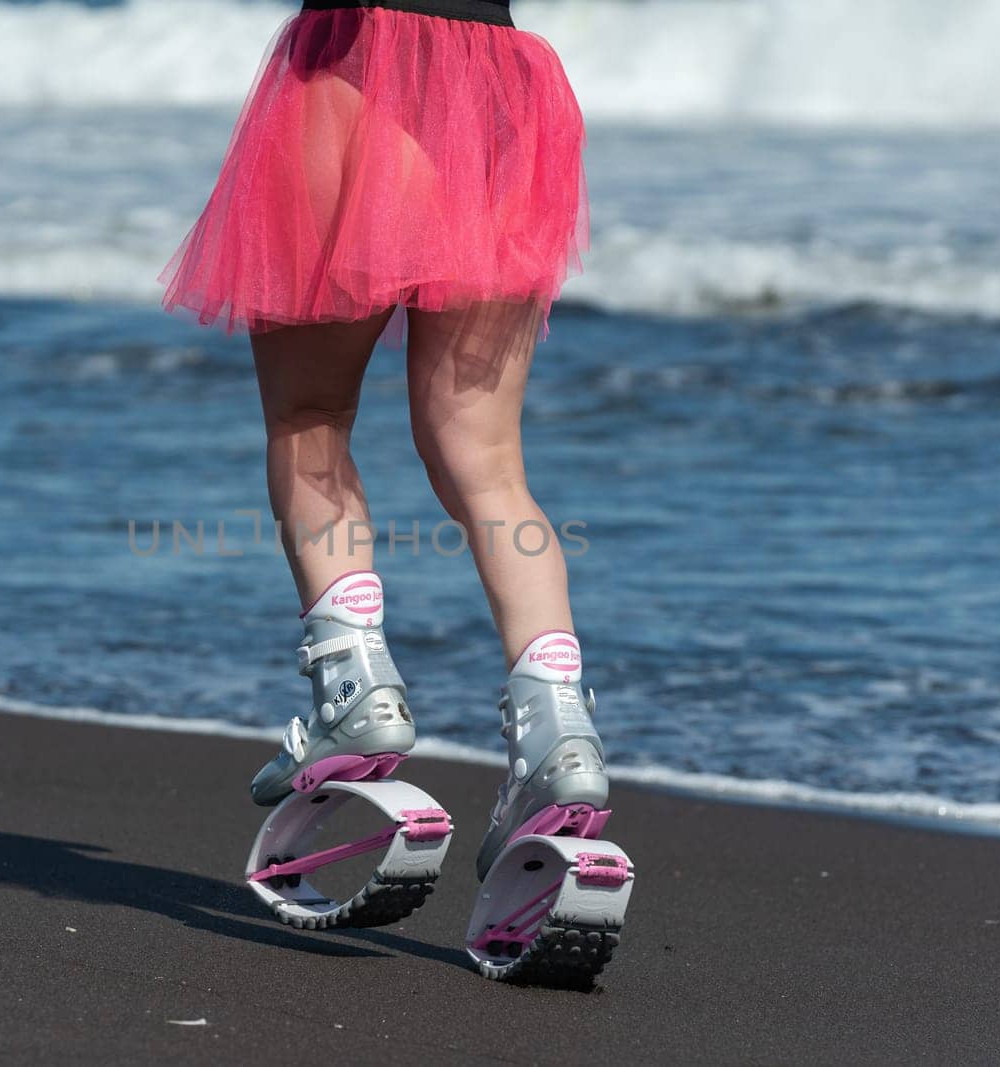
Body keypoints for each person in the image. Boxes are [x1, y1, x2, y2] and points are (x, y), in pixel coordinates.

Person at [157, 0, 606, 883]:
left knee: (308, 416)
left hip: (357, 69)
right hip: (505, 89)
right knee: (486, 461)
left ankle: (354, 690)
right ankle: (561, 729)